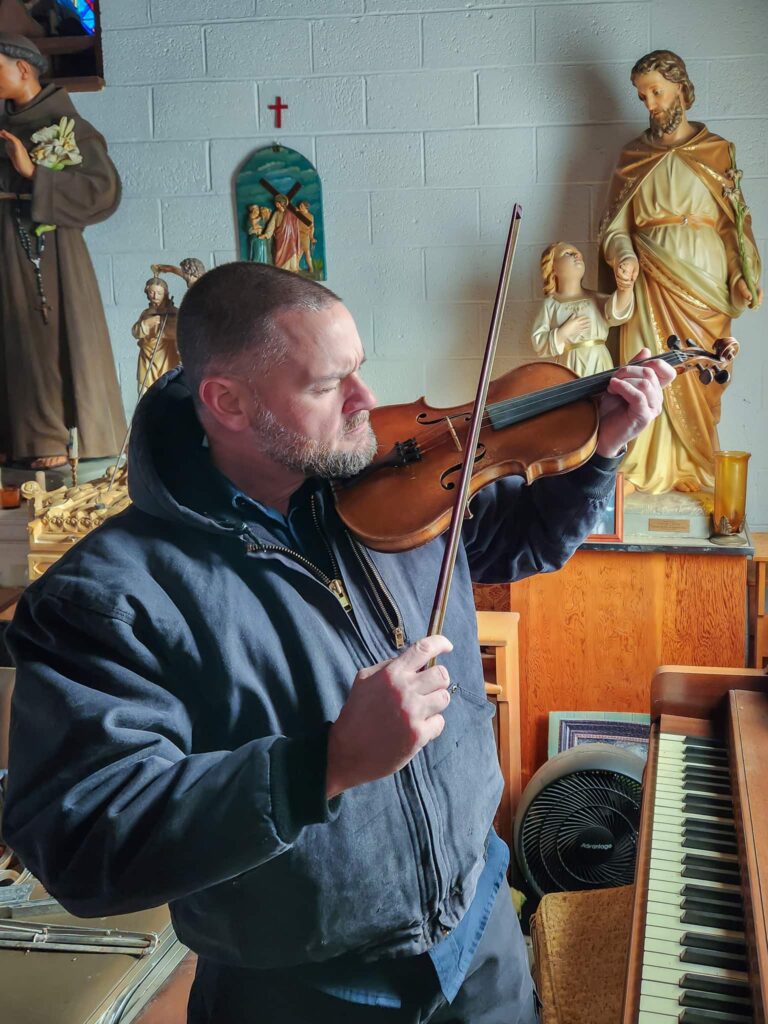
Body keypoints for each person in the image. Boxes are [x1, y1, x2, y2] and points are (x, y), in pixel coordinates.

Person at [3, 263, 674, 1023]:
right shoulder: (108, 597)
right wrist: (322, 764)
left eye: (360, 369)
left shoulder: (395, 479)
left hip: (480, 938)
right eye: (329, 386)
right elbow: (84, 839)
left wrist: (604, 453)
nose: (367, 401)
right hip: (296, 993)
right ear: (227, 402)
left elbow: (520, 543)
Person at [600, 49, 762, 494]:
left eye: (656, 91)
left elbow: (735, 227)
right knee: (647, 371)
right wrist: (623, 257)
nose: (650, 103)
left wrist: (739, 275)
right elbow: (615, 228)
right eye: (642, 95)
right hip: (650, 280)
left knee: (700, 376)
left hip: (704, 286)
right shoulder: (632, 156)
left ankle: (695, 469)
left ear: (681, 90)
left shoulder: (717, 152)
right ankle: (639, 469)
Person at [0, 32, 126, 469]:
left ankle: (45, 437)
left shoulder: (68, 128)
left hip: (44, 252)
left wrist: (35, 173)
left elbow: (102, 193)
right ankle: (10, 436)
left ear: (22, 68)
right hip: (2, 244)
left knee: (40, 338)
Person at [531, 241, 634, 377]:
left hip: (598, 361)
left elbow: (617, 312)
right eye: (568, 253)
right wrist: (563, 332)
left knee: (600, 396)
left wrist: (625, 287)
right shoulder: (551, 304)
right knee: (574, 397)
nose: (577, 255)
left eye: (578, 254)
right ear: (553, 267)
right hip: (568, 364)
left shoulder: (596, 299)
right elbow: (539, 343)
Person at [131, 275, 179, 395]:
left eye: (159, 293)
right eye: (151, 292)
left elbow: (179, 332)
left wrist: (163, 331)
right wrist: (146, 324)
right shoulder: (146, 313)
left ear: (165, 293)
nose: (155, 296)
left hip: (167, 356)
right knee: (144, 392)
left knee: (167, 391)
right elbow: (136, 332)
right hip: (147, 356)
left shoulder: (174, 313)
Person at [263, 193, 301, 271]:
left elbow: (296, 220)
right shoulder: (276, 213)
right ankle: (282, 269)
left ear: (282, 203)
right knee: (279, 254)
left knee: (291, 252)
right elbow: (271, 224)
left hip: (290, 238)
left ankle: (293, 268)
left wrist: (297, 212)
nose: (276, 204)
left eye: (278, 202)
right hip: (280, 237)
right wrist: (266, 234)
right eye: (276, 202)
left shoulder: (290, 213)